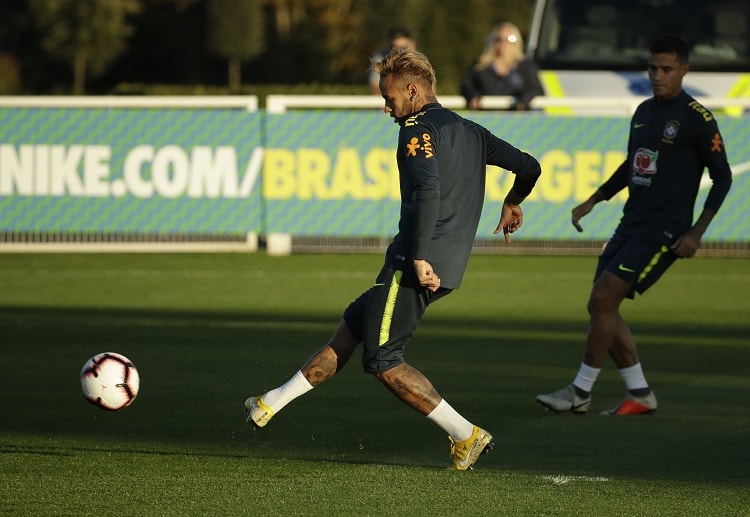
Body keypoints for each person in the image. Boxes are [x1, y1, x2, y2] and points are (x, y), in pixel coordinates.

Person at [246, 48, 541, 470]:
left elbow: (426, 191)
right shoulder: (473, 132)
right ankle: (269, 403)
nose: (386, 108)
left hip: (417, 264)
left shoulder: (416, 129)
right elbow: (530, 166)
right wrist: (513, 201)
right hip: (449, 264)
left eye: (390, 99)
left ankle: (466, 434)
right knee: (353, 325)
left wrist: (419, 258)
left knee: (383, 359)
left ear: (413, 90)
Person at [536, 34, 733, 416]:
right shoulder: (643, 111)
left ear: (684, 70)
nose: (658, 76)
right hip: (631, 223)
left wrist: (696, 232)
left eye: (666, 69)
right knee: (603, 308)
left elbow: (723, 178)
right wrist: (595, 199)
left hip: (665, 230)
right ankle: (640, 393)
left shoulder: (697, 119)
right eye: (652, 68)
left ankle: (580, 392)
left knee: (602, 300)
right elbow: (633, 165)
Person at [460, 22, 544, 111]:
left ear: (518, 42)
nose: (504, 43)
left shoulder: (527, 67)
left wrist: (524, 101)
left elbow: (536, 89)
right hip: (486, 119)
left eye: (510, 39)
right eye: (499, 39)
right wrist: (473, 96)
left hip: (517, 120)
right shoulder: (480, 67)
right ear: (492, 41)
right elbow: (466, 86)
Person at [368, 27, 416, 96]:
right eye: (393, 48)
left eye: (403, 48)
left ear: (413, 45)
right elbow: (375, 87)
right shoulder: (380, 57)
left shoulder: (421, 60)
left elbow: (430, 90)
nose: (398, 52)